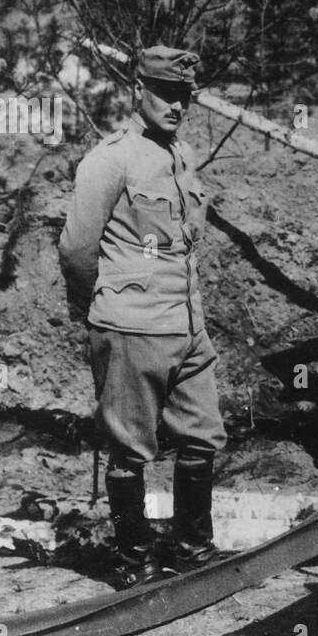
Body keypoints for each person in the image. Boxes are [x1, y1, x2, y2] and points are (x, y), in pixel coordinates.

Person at [58, 45, 226, 588]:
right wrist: (102, 307)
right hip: (131, 326)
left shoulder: (181, 157)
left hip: (186, 325)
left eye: (184, 96)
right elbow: (77, 248)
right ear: (138, 90)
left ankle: (190, 548)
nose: (176, 105)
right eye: (165, 93)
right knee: (131, 448)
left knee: (203, 437)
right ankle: (133, 558)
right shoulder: (110, 159)